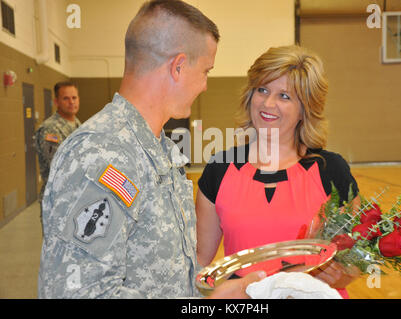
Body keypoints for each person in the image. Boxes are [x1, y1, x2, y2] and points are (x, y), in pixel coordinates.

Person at [38, 0, 264, 299]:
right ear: (178, 66)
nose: (205, 86)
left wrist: (215, 296)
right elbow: (79, 293)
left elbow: (166, 271)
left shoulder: (160, 150)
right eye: (206, 71)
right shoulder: (102, 152)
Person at [196, 45, 361, 299]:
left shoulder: (331, 170)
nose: (268, 103)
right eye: (262, 90)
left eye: (284, 96)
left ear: (305, 109)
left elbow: (355, 259)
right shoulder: (220, 169)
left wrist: (344, 274)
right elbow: (200, 261)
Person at [34, 81, 81, 230]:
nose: (71, 102)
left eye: (74, 97)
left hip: (76, 199)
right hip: (58, 203)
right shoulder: (50, 129)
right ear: (56, 102)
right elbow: (60, 167)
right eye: (66, 98)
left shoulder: (78, 125)